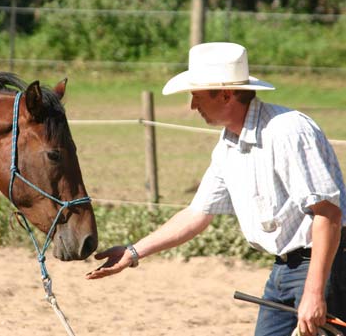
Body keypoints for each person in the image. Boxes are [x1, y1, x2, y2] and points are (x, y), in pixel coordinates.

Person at [86, 42, 346, 336]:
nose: (192, 106)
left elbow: (328, 214)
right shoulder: (228, 144)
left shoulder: (288, 131)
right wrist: (133, 253)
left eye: (196, 96)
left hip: (326, 265)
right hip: (283, 271)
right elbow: (198, 213)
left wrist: (314, 292)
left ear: (225, 94)